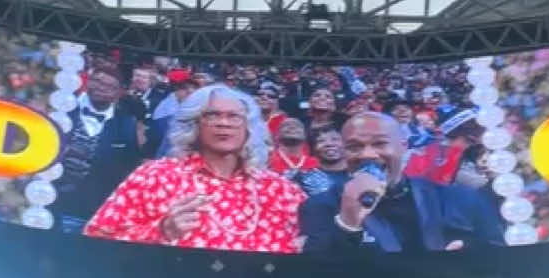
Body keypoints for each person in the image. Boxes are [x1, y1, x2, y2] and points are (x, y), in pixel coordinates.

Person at [84, 86, 304, 252]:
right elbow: (95, 240)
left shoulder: (281, 190)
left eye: (234, 117)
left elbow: (318, 246)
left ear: (249, 128)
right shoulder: (153, 176)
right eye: (212, 115)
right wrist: (160, 231)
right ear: (193, 125)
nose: (223, 123)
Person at [301, 112, 504, 254]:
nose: (368, 155)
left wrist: (470, 256)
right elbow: (316, 277)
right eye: (354, 147)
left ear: (403, 147)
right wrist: (347, 222)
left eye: (380, 144)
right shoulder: (320, 206)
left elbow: (499, 255)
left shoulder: (460, 198)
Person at [55, 62, 142, 231]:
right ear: (88, 82)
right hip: (50, 202)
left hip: (91, 211)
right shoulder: (63, 110)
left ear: (118, 93)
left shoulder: (126, 124)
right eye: (98, 81)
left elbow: (128, 167)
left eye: (110, 86)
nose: (102, 87)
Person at [297, 125, 350, 198]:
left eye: (335, 139)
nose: (329, 144)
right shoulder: (304, 179)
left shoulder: (360, 175)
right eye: (321, 141)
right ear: (313, 149)